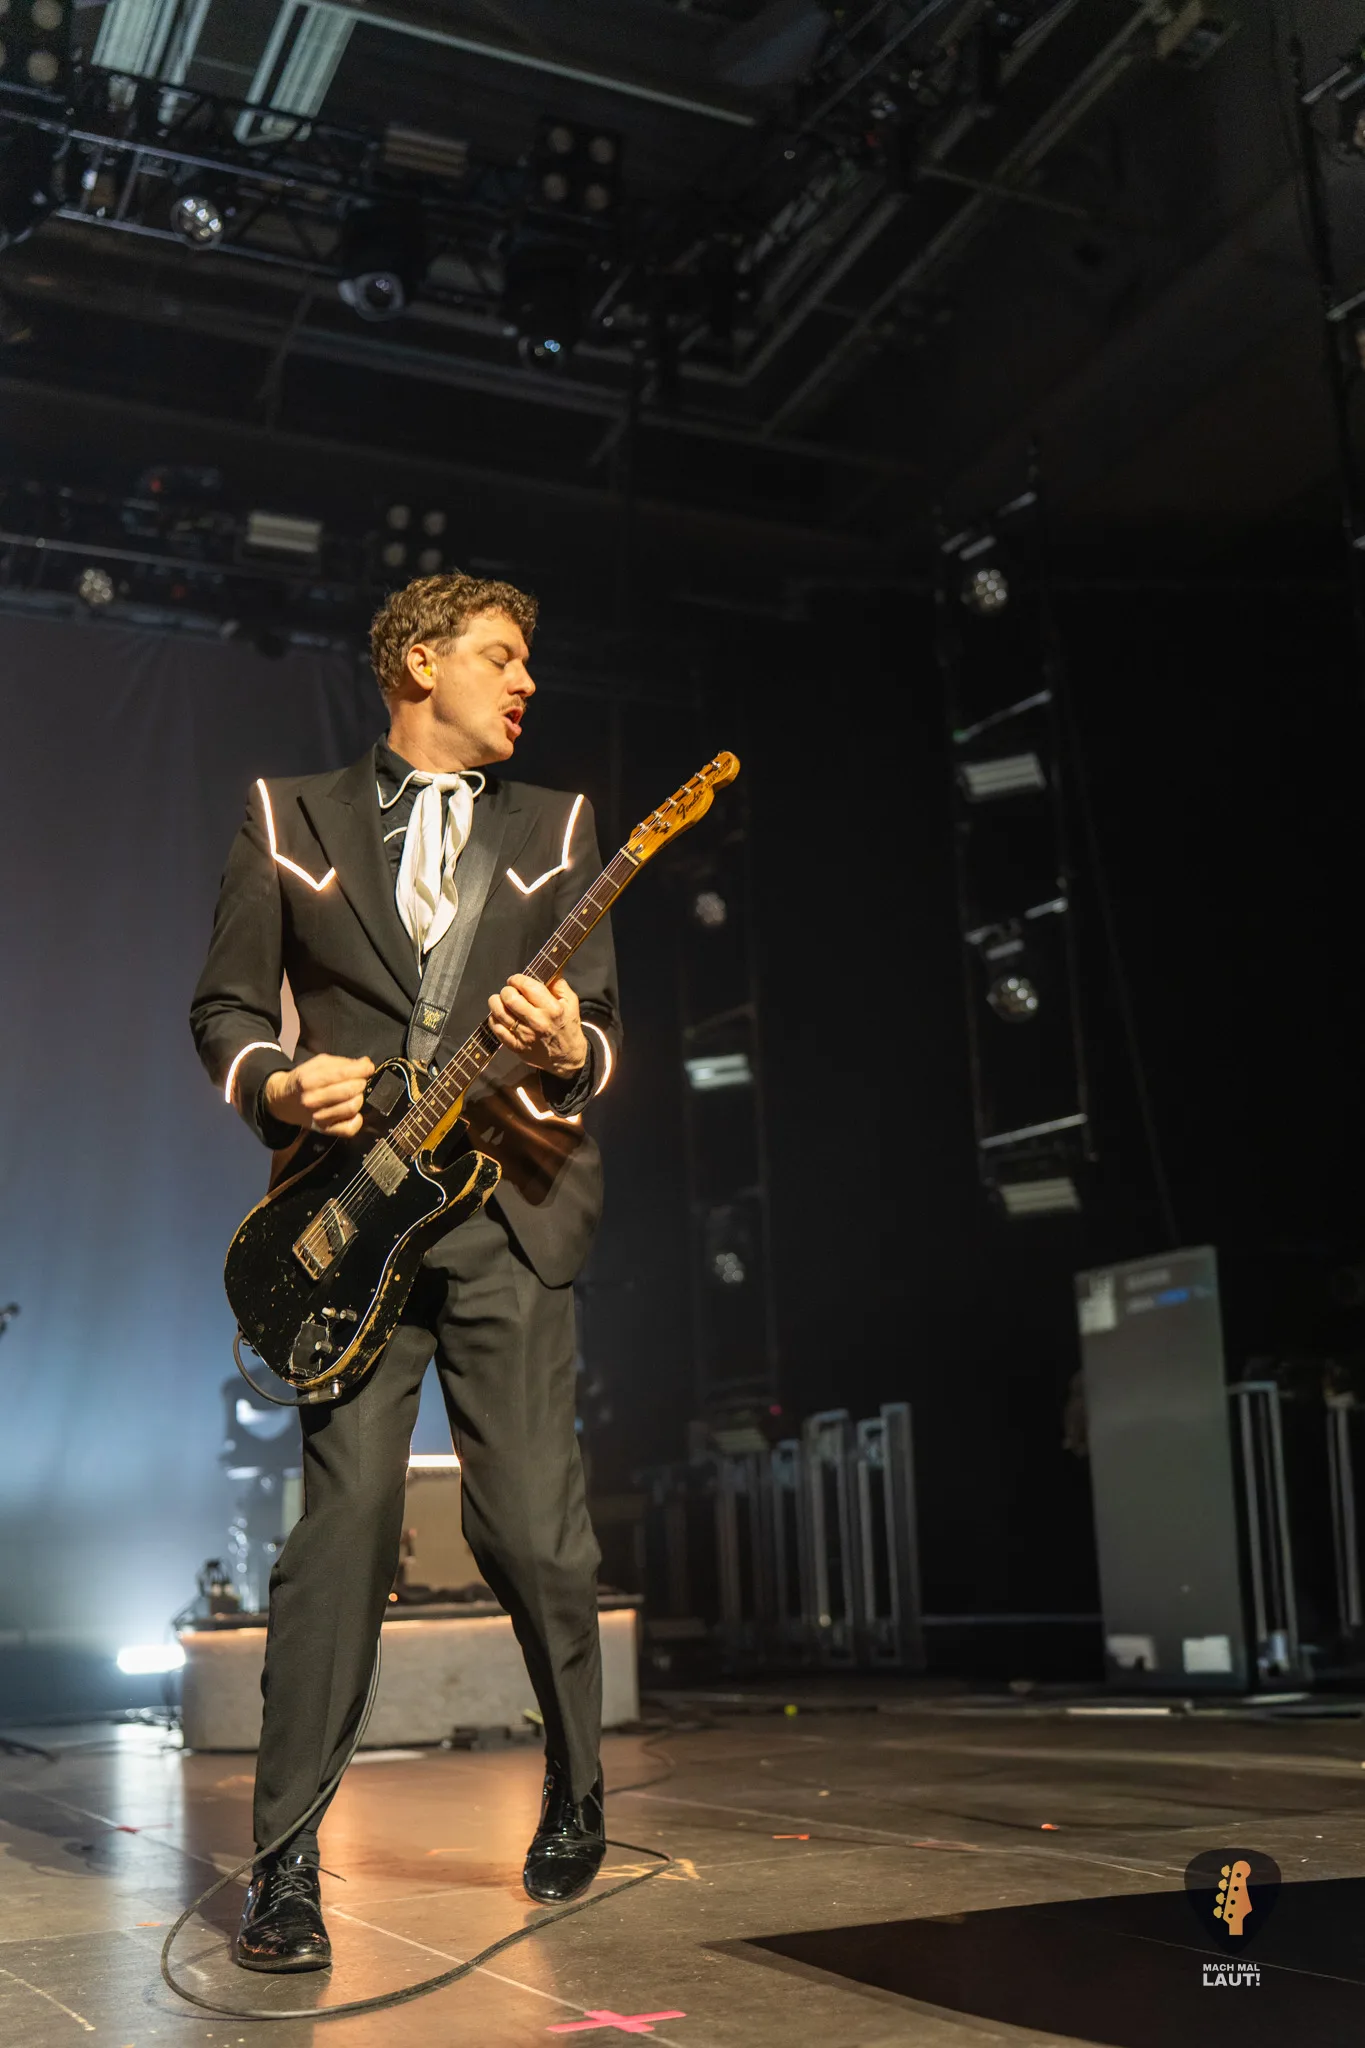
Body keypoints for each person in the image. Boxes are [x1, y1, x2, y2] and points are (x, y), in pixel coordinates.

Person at [190, 573, 621, 1973]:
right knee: (347, 1533)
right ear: (420, 661)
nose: (527, 681)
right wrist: (275, 1083)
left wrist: (565, 1045)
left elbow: (601, 1035)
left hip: (512, 1210)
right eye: (503, 656)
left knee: (535, 1535)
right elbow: (227, 1007)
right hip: (353, 1217)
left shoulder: (560, 826)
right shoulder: (289, 816)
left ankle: (577, 1786)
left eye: (529, 660)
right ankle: (286, 1870)